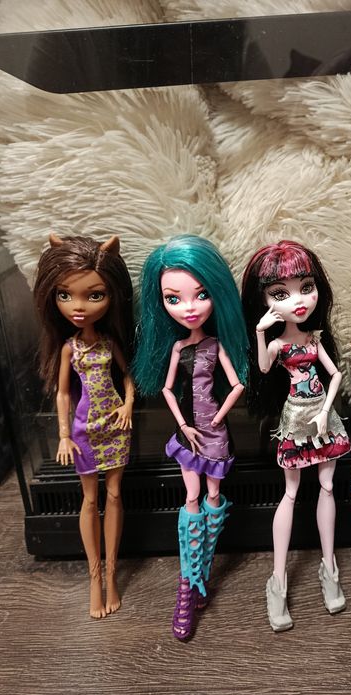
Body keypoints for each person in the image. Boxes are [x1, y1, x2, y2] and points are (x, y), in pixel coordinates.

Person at [133, 234, 248, 640]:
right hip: (189, 435)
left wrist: (218, 414)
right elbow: (167, 389)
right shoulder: (178, 348)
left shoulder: (216, 345)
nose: (190, 308)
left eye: (201, 294)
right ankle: (187, 584)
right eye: (174, 298)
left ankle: (202, 576)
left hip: (214, 434)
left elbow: (237, 384)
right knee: (192, 497)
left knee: (214, 497)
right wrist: (183, 424)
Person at [242, 240, 350, 632]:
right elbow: (264, 369)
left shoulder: (314, 339)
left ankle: (329, 569)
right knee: (290, 492)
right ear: (265, 300)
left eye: (306, 287)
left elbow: (335, 375)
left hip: (322, 414)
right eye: (280, 294)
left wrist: (325, 411)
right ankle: (278, 581)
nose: (298, 301)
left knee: (327, 486)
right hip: (296, 416)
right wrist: (259, 332)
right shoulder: (277, 343)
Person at [33, 233, 134, 618]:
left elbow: (127, 377)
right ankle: (95, 579)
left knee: (115, 495)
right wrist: (62, 434)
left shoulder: (108, 343)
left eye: (94, 295)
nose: (78, 307)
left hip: (115, 425)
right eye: (65, 295)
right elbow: (62, 394)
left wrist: (128, 404)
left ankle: (112, 574)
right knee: (90, 500)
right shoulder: (69, 348)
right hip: (84, 430)